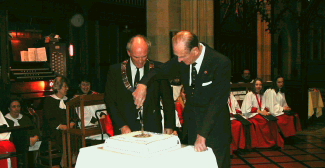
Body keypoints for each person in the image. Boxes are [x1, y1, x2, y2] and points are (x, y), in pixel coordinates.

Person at [133, 31, 231, 167]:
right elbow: (159, 70)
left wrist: (203, 135)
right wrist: (143, 84)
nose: (179, 61)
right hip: (192, 127)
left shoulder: (220, 63)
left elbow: (217, 103)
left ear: (195, 51)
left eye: (182, 56)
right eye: (176, 56)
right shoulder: (182, 59)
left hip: (215, 130)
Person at [104, 35, 175, 135]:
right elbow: (110, 101)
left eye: (144, 56)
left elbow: (168, 99)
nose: (141, 61)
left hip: (152, 126)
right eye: (136, 57)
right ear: (129, 53)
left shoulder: (158, 69)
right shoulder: (115, 71)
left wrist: (169, 125)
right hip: (125, 127)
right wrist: (121, 125)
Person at [241, 78, 284, 148]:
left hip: (259, 113)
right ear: (253, 85)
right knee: (263, 121)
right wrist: (261, 112)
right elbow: (248, 108)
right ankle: (265, 143)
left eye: (260, 85)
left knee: (272, 120)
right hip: (250, 114)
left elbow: (263, 106)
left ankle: (274, 141)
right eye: (257, 84)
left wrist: (265, 111)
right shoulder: (250, 94)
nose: (258, 86)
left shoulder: (262, 95)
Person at [42, 76, 77, 151]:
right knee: (64, 136)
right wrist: (60, 126)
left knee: (77, 133)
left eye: (67, 86)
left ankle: (74, 158)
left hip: (68, 129)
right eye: (65, 86)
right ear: (58, 88)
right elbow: (48, 118)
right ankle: (65, 160)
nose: (67, 88)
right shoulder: (49, 100)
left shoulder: (68, 100)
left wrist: (72, 122)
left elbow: (74, 115)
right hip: (54, 130)